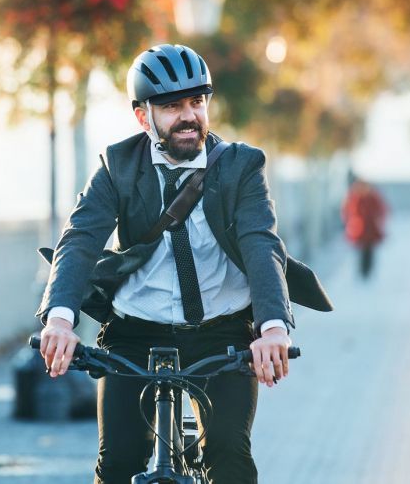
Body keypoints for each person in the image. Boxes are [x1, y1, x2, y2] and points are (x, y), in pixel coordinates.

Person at [36, 44, 332, 484]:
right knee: (117, 464)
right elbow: (80, 239)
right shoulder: (118, 166)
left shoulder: (240, 166)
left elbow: (260, 243)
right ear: (143, 117)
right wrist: (59, 321)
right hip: (134, 331)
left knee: (230, 459)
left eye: (196, 102)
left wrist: (272, 328)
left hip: (223, 330)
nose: (189, 115)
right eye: (173, 106)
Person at [341, 178, 388, 278]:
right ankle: (362, 271)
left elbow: (381, 211)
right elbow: (347, 211)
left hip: (370, 230)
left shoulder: (373, 198)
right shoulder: (354, 198)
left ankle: (368, 271)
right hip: (359, 230)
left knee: (369, 252)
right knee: (361, 252)